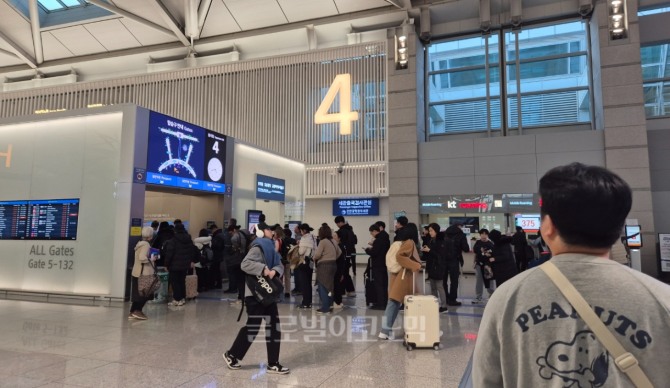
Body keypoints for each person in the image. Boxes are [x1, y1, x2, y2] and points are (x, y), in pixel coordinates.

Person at [473, 163, 670, 387]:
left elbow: (486, 381)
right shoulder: (662, 300)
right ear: (618, 229)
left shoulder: (507, 298)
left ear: (548, 226)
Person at [223, 222, 290, 375]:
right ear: (260, 232)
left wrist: (274, 270)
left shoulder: (270, 248)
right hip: (255, 294)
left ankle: (273, 363)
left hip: (267, 293)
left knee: (273, 326)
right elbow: (245, 264)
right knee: (253, 326)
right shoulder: (257, 247)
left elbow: (279, 264)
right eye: (267, 229)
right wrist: (263, 269)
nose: (271, 231)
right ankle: (232, 354)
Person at [378, 222, 422, 340]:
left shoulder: (403, 242)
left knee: (394, 303)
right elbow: (400, 257)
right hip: (403, 277)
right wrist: (415, 265)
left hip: (398, 276)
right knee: (395, 303)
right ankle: (385, 331)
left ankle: (386, 331)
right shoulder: (410, 242)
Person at [164, 223, 198, 306]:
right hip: (185, 264)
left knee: (175, 282)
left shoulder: (173, 240)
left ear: (175, 230)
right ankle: (182, 298)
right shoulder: (188, 239)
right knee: (182, 281)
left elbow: (169, 254)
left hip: (174, 265)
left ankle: (177, 299)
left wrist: (166, 264)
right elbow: (192, 251)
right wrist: (191, 261)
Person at [129, 226, 158, 320]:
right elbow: (142, 257)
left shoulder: (140, 244)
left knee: (138, 293)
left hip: (137, 272)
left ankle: (133, 311)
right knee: (145, 293)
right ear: (151, 235)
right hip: (144, 273)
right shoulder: (146, 245)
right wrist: (151, 259)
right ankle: (137, 311)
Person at [312, 224, 341, 314]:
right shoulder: (333, 241)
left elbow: (317, 254)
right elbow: (339, 252)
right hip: (333, 265)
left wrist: (314, 257)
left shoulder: (323, 241)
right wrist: (332, 257)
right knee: (329, 286)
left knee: (323, 286)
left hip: (324, 266)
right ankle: (330, 305)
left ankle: (325, 308)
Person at [421, 223, 449, 313]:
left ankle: (444, 306)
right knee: (433, 287)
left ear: (436, 231)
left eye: (431, 231)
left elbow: (440, 255)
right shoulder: (431, 240)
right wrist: (425, 251)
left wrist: (430, 250)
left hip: (439, 267)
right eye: (429, 231)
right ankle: (434, 304)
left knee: (439, 286)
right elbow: (431, 254)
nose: (430, 232)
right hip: (431, 266)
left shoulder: (441, 241)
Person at [364, 223, 390, 310]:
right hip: (383, 264)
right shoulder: (385, 238)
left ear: (375, 231)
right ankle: (384, 302)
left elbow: (374, 253)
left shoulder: (378, 240)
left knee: (379, 284)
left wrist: (367, 250)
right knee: (384, 284)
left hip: (377, 265)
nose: (371, 235)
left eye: (371, 233)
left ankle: (380, 304)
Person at [443, 224, 470, 306]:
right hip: (454, 260)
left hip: (443, 260)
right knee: (454, 281)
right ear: (459, 227)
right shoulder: (461, 235)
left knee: (444, 280)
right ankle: (452, 299)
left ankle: (445, 298)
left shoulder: (445, 234)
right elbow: (466, 249)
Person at [334, 216, 357, 293]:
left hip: (343, 254)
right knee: (345, 272)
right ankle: (350, 289)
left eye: (337, 223)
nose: (337, 225)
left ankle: (342, 290)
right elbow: (354, 241)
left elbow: (340, 243)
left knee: (342, 273)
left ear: (340, 222)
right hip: (349, 253)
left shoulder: (341, 231)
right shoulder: (350, 230)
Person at [471, 229, 495, 304]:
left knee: (489, 279)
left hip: (488, 265)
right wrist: (474, 262)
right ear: (480, 235)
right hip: (479, 264)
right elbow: (475, 253)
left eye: (485, 234)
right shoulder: (477, 243)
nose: (484, 235)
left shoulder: (491, 244)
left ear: (487, 235)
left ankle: (491, 295)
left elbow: (493, 254)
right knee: (479, 280)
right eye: (482, 234)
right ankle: (478, 296)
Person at [296, 223, 316, 309]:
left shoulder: (304, 238)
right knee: (308, 283)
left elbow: (301, 252)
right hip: (310, 262)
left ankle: (305, 303)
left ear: (303, 230)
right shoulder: (313, 237)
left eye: (300, 230)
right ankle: (309, 302)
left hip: (304, 262)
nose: (300, 232)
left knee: (304, 284)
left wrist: (299, 244)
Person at [228, 225, 246, 304]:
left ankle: (241, 297)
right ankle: (242, 296)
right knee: (242, 279)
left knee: (239, 279)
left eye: (231, 232)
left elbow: (236, 249)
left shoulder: (234, 238)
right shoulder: (243, 234)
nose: (230, 234)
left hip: (238, 260)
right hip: (244, 259)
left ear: (233, 230)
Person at [332, 230, 347, 309]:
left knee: (336, 286)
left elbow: (342, 262)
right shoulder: (336, 246)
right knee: (336, 286)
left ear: (339, 238)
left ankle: (337, 302)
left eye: (335, 236)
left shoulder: (340, 247)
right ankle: (338, 301)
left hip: (338, 269)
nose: (333, 237)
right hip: (336, 269)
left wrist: (342, 273)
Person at [194, 228, 212, 293]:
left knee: (199, 274)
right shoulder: (209, 241)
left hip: (198, 260)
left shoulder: (196, 241)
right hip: (206, 260)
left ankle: (200, 287)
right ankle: (206, 286)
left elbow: (196, 251)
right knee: (206, 273)